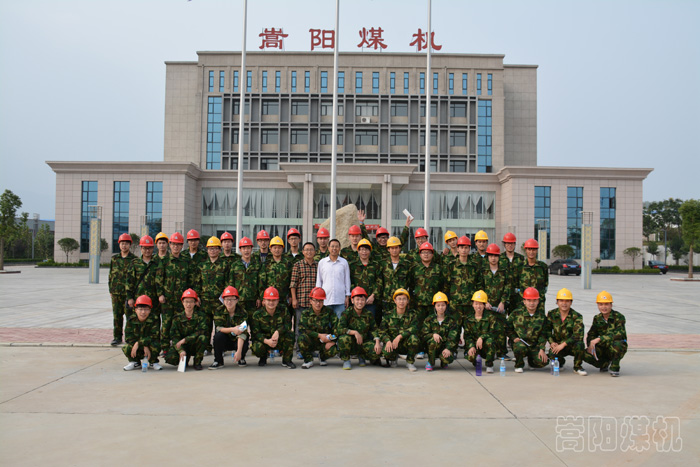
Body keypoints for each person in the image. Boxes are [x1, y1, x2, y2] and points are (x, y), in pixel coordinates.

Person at [156, 232, 196, 355]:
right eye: (173, 244)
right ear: (170, 245)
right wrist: (160, 294)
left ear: (181, 246)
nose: (176, 247)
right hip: (167, 300)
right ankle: (165, 348)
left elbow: (191, 280)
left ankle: (180, 347)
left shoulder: (185, 262)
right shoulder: (164, 261)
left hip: (181, 301)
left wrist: (190, 297)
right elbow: (159, 279)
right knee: (166, 324)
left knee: (180, 325)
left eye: (178, 245)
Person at [336, 287, 383, 370]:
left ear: (365, 301)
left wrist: (377, 342)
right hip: (351, 343)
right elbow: (339, 329)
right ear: (352, 301)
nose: (360, 302)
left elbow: (374, 329)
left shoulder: (368, 314)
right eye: (357, 300)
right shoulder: (347, 313)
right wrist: (354, 332)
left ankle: (362, 356)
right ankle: (346, 360)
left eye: (362, 300)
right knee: (343, 339)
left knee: (377, 352)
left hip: (363, 343)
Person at [197, 236, 229, 354]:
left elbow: (228, 283)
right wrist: (197, 297)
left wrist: (225, 299)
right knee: (205, 326)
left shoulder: (224, 265)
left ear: (219, 250)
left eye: (215, 248)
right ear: (207, 250)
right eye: (210, 249)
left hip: (219, 302)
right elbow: (198, 282)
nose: (213, 251)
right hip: (205, 302)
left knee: (220, 326)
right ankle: (206, 347)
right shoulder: (202, 265)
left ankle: (220, 348)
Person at [584, 291, 627, 377]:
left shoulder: (619, 317)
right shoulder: (597, 318)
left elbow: (619, 334)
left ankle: (615, 366)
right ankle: (603, 364)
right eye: (601, 304)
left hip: (614, 346)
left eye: (606, 304)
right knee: (583, 354)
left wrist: (600, 339)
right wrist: (590, 345)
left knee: (618, 344)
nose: (604, 307)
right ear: (598, 305)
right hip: (603, 347)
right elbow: (591, 334)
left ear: (611, 305)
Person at [251, 287, 296, 368]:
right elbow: (256, 333)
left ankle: (287, 360)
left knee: (290, 335)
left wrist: (278, 332)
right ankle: (263, 357)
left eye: (274, 300)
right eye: (268, 300)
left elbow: (288, 325)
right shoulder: (257, 314)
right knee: (257, 347)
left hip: (279, 339)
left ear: (278, 301)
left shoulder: (284, 310)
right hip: (265, 341)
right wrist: (267, 341)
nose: (271, 303)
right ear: (264, 301)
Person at [546, 288, 587, 376]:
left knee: (580, 345)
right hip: (558, 344)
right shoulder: (551, 314)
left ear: (571, 302)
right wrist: (552, 342)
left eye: (567, 301)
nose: (564, 303)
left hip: (572, 345)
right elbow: (547, 330)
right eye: (561, 300)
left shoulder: (577, 316)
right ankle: (560, 362)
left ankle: (577, 367)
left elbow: (578, 335)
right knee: (551, 353)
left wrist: (563, 344)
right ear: (557, 302)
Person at [507, 287, 549, 373]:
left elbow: (543, 334)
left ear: (538, 301)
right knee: (520, 348)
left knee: (543, 362)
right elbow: (507, 327)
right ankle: (519, 364)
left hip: (534, 345)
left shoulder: (541, 317)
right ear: (524, 301)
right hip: (520, 342)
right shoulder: (516, 313)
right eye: (529, 300)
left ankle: (531, 361)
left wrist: (542, 349)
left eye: (534, 301)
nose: (531, 303)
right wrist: (513, 337)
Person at [165, 289, 208, 371]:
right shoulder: (177, 318)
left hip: (195, 344)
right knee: (170, 358)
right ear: (182, 302)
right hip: (183, 346)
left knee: (202, 338)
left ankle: (197, 362)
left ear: (195, 303)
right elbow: (174, 336)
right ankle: (185, 358)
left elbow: (201, 331)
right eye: (186, 301)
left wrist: (185, 339)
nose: (189, 304)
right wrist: (180, 350)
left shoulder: (201, 316)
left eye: (191, 301)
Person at [480, 243, 510, 359]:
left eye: (495, 256)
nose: (493, 258)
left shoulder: (504, 271)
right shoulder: (483, 271)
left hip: (500, 306)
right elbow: (480, 287)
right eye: (491, 256)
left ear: (499, 257)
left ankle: (502, 352)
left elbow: (507, 287)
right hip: (487, 306)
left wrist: (503, 302)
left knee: (501, 329)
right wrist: (484, 302)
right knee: (487, 329)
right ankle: (488, 352)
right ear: (487, 256)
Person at [379, 288, 420, 372]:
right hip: (393, 344)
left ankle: (410, 362)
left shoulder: (412, 314)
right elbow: (382, 331)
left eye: (404, 299)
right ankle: (393, 358)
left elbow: (414, 328)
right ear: (395, 300)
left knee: (414, 339)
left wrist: (400, 336)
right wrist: (387, 341)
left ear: (408, 301)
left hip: (405, 343)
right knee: (386, 352)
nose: (401, 302)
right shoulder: (388, 315)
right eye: (399, 299)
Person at [298, 287, 339, 369]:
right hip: (311, 340)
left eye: (320, 301)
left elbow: (337, 327)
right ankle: (308, 360)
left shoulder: (329, 312)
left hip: (325, 341)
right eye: (315, 300)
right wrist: (319, 335)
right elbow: (303, 329)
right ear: (311, 301)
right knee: (301, 339)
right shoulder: (305, 313)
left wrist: (333, 340)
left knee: (333, 349)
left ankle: (323, 357)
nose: (318, 304)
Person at [209, 286, 249, 370]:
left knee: (245, 339)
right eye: (226, 299)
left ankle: (241, 358)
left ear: (237, 300)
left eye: (232, 299)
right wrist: (232, 329)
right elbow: (218, 328)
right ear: (223, 300)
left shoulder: (243, 312)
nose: (229, 302)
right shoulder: (219, 311)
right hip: (225, 339)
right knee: (218, 337)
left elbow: (243, 333)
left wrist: (239, 352)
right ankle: (218, 361)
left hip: (237, 340)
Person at [410, 242, 445, 327]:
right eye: (423, 252)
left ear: (432, 254)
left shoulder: (438, 268)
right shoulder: (415, 269)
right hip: (418, 304)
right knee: (418, 326)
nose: (426, 254)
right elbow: (410, 285)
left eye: (428, 252)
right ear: (420, 254)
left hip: (433, 304)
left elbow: (443, 284)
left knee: (434, 326)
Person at [421, 292, 459, 371]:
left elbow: (453, 337)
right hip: (432, 347)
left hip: (445, 347)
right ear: (434, 306)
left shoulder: (451, 320)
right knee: (433, 341)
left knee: (448, 358)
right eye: (438, 305)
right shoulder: (429, 319)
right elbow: (424, 335)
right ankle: (430, 362)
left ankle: (443, 361)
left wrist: (448, 348)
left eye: (443, 305)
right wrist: (433, 335)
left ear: (446, 306)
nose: (440, 308)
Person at [290, 242, 318, 349]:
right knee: (299, 327)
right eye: (306, 250)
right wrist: (294, 299)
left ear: (315, 252)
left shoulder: (318, 265)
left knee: (313, 327)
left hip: (315, 303)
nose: (309, 252)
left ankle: (312, 348)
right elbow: (293, 284)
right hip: (301, 301)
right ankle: (300, 349)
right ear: (303, 252)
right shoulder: (297, 265)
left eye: (311, 250)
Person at [122, 295, 162, 371]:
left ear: (150, 310)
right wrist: (141, 345)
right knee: (127, 347)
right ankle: (134, 362)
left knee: (156, 345)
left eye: (146, 309)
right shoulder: (131, 319)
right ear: (135, 309)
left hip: (149, 345)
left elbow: (154, 336)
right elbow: (128, 337)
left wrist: (140, 343)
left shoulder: (154, 319)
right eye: (140, 309)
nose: (143, 312)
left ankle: (153, 362)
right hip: (137, 347)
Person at [109, 233, 135, 346]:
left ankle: (129, 337)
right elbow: (110, 275)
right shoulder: (114, 259)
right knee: (117, 316)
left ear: (130, 245)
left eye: (126, 243)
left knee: (129, 316)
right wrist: (110, 290)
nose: (124, 246)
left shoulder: (134, 259)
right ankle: (117, 337)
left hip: (127, 294)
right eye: (122, 243)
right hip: (116, 293)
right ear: (119, 244)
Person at [463, 290, 499, 373]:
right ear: (472, 305)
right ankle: (476, 361)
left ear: (484, 305)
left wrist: (482, 338)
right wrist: (471, 346)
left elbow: (494, 333)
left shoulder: (491, 318)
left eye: (481, 304)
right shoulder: (468, 319)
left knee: (490, 341)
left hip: (486, 345)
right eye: (476, 303)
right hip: (475, 346)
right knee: (471, 356)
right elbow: (467, 336)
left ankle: (489, 364)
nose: (478, 306)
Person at [315, 239, 351, 318]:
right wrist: (318, 297)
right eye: (332, 246)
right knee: (327, 323)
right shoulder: (322, 262)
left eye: (336, 246)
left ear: (339, 248)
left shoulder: (344, 262)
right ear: (328, 248)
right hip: (326, 299)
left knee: (339, 322)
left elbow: (347, 281)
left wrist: (347, 296)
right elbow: (319, 281)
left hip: (340, 299)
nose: (334, 248)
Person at [126, 235, 158, 323]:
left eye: (149, 248)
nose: (147, 251)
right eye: (145, 248)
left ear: (153, 248)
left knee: (153, 322)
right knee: (137, 321)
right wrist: (129, 298)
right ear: (141, 248)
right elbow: (129, 281)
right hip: (138, 298)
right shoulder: (135, 263)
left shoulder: (157, 263)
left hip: (153, 299)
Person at [349, 238, 383, 322]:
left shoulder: (376, 265)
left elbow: (379, 282)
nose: (364, 252)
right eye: (362, 250)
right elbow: (349, 282)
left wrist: (373, 295)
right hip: (357, 301)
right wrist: (356, 296)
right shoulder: (352, 265)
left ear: (370, 251)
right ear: (358, 251)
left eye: (366, 249)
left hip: (371, 301)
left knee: (371, 323)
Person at [378, 236, 413, 315]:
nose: (394, 250)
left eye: (396, 248)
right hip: (387, 300)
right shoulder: (383, 264)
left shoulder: (406, 264)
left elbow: (410, 282)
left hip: (401, 301)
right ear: (388, 249)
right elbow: (380, 282)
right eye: (392, 248)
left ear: (400, 248)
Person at [448, 235, 480, 321]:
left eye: (466, 248)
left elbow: (479, 284)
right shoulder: (451, 265)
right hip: (455, 305)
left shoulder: (474, 266)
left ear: (469, 249)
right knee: (454, 331)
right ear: (458, 249)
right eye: (461, 247)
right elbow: (446, 285)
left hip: (470, 305)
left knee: (470, 332)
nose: (464, 250)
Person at [258, 236, 293, 306]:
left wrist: (291, 296)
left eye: (279, 248)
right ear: (270, 249)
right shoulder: (266, 264)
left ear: (282, 249)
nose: (277, 250)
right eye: (275, 248)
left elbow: (291, 281)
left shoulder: (288, 264)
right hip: (269, 299)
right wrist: (262, 298)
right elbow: (262, 283)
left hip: (284, 299)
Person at [229, 236, 260, 311]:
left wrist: (260, 297)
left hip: (253, 301)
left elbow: (260, 283)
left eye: (248, 248)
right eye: (244, 248)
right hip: (239, 301)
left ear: (251, 249)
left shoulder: (257, 265)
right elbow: (231, 283)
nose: (246, 251)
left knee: (253, 322)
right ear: (240, 250)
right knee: (241, 322)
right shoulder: (235, 265)